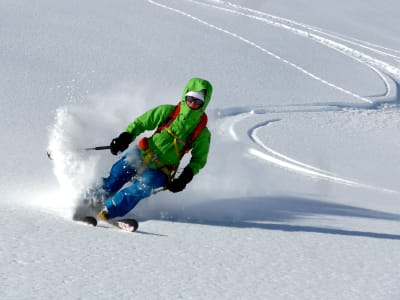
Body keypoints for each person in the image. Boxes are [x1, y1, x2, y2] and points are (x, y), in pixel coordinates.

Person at [77, 78, 213, 221]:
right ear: (185, 96)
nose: (192, 103)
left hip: (162, 170)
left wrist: (184, 178)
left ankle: (108, 211)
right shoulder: (168, 112)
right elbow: (142, 123)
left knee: (142, 186)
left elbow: (199, 159)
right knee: (118, 173)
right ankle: (87, 203)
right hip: (142, 153)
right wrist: (125, 137)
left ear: (204, 104)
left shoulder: (202, 133)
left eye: (198, 101)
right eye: (190, 98)